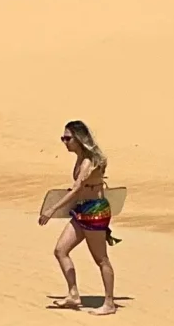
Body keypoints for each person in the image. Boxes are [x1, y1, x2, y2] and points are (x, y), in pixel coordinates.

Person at [43, 118, 119, 314]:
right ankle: (74, 294)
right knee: (61, 250)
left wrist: (52, 210)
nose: (64, 142)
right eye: (63, 138)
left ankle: (109, 303)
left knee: (101, 259)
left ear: (78, 138)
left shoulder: (88, 161)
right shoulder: (80, 158)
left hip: (95, 212)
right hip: (82, 210)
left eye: (67, 138)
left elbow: (77, 189)